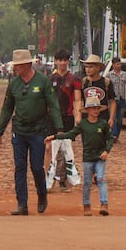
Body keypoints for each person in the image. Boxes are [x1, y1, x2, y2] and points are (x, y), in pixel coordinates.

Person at [0, 49, 63, 215]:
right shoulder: (14, 84)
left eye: (18, 65)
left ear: (26, 65)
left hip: (38, 130)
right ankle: (22, 204)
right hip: (19, 131)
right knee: (20, 167)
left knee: (37, 167)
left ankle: (42, 195)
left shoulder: (43, 81)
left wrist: (59, 128)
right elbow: (7, 108)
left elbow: (53, 105)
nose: (15, 68)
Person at [45, 96, 113, 216]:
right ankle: (86, 205)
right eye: (93, 108)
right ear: (87, 110)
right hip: (87, 158)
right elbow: (71, 134)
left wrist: (106, 151)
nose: (96, 111)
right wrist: (54, 137)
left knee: (101, 179)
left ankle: (104, 204)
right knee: (87, 182)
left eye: (97, 108)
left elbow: (110, 139)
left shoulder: (103, 124)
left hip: (100, 158)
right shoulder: (83, 124)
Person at [48, 49, 82, 192]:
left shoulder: (74, 79)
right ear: (56, 61)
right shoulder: (49, 79)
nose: (62, 63)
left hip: (67, 117)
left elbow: (78, 99)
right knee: (50, 149)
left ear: (68, 61)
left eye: (65, 60)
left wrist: (78, 116)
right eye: (60, 60)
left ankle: (63, 179)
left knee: (65, 149)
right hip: (51, 118)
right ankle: (48, 181)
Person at [78, 54, 116, 128]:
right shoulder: (83, 82)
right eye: (86, 67)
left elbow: (112, 101)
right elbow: (80, 101)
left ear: (98, 68)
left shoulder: (106, 82)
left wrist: (111, 118)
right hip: (86, 119)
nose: (87, 69)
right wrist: (79, 117)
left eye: (91, 67)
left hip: (102, 118)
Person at [106, 57, 126, 142]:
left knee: (120, 119)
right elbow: (105, 85)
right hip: (112, 100)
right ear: (113, 65)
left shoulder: (125, 74)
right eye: (117, 64)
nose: (119, 65)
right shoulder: (109, 75)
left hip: (122, 99)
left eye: (120, 63)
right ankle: (113, 135)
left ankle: (116, 136)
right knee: (113, 118)